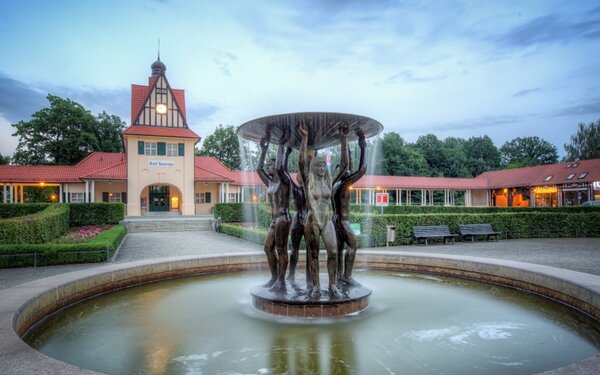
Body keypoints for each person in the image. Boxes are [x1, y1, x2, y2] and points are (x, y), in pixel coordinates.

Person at [298, 119, 341, 298]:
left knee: (333, 251)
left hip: (327, 220)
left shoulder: (328, 181)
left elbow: (344, 166)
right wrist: (305, 139)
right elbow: (301, 163)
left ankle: (332, 285)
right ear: (314, 167)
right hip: (313, 220)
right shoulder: (310, 181)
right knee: (313, 254)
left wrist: (344, 139)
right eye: (319, 165)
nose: (323, 167)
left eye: (324, 165)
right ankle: (316, 286)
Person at [256, 128, 292, 292]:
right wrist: (263, 150)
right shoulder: (270, 183)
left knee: (281, 249)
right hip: (274, 220)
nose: (268, 167)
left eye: (270, 164)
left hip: (283, 219)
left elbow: (279, 165)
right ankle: (274, 277)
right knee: (267, 248)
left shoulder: (284, 180)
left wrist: (280, 144)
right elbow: (258, 170)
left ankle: (281, 281)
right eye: (269, 165)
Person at [332, 124, 367, 286]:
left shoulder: (335, 184)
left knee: (339, 249)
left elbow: (349, 165)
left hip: (335, 221)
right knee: (353, 246)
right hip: (343, 221)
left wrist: (348, 147)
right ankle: (346, 276)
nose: (349, 170)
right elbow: (362, 169)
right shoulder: (344, 183)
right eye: (346, 169)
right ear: (341, 170)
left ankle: (339, 276)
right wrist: (363, 146)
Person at [285, 146, 306, 284]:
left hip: (309, 218)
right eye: (300, 176)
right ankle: (291, 274)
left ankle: (312, 277)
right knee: (294, 249)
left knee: (311, 250)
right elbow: (285, 174)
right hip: (298, 218)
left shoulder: (313, 190)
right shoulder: (296, 189)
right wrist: (286, 155)